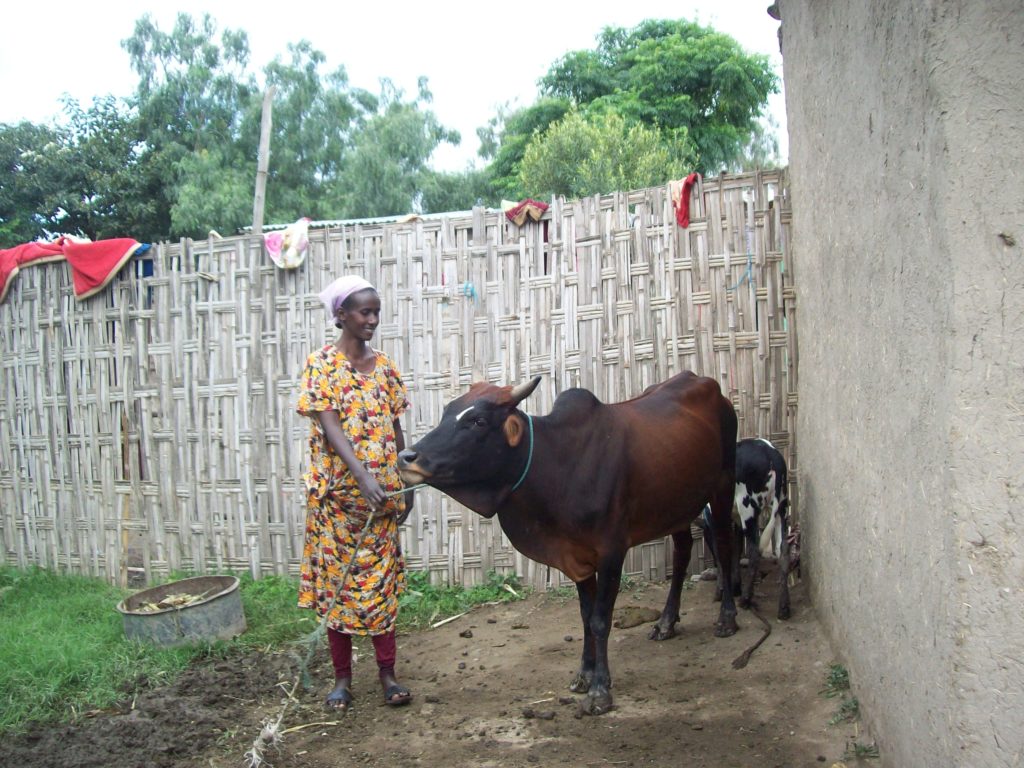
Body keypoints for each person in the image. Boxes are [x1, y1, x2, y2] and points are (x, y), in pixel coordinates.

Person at [296, 275, 414, 712]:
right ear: (341, 315)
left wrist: (405, 481)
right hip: (337, 503)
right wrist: (362, 477)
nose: (373, 320)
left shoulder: (385, 367)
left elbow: (396, 428)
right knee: (337, 589)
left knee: (381, 589)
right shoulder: (321, 365)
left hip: (381, 502)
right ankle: (342, 679)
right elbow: (330, 426)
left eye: (376, 312)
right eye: (365, 312)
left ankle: (387, 674)